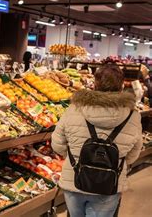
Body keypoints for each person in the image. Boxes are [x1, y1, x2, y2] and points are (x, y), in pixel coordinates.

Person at [52, 64, 142, 217]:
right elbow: (134, 153)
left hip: (74, 179)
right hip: (109, 184)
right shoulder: (132, 116)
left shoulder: (75, 108)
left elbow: (57, 143)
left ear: (95, 84)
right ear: (121, 86)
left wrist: (75, 159)